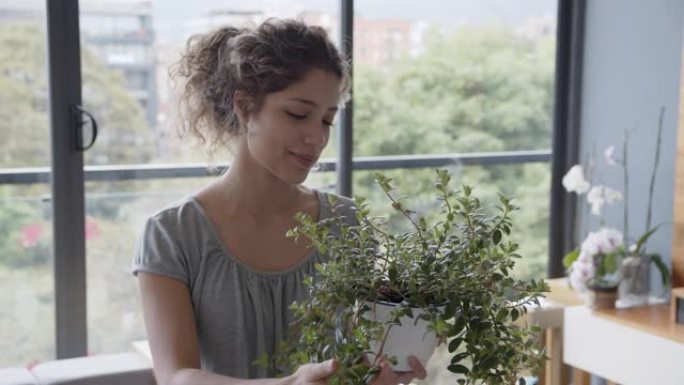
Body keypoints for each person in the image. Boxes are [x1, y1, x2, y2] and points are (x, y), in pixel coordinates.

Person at [132, 18, 428, 385]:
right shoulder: (173, 234)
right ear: (244, 106)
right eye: (298, 114)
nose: (316, 138)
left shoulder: (346, 223)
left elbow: (354, 356)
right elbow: (176, 376)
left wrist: (385, 372)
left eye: (326, 121)